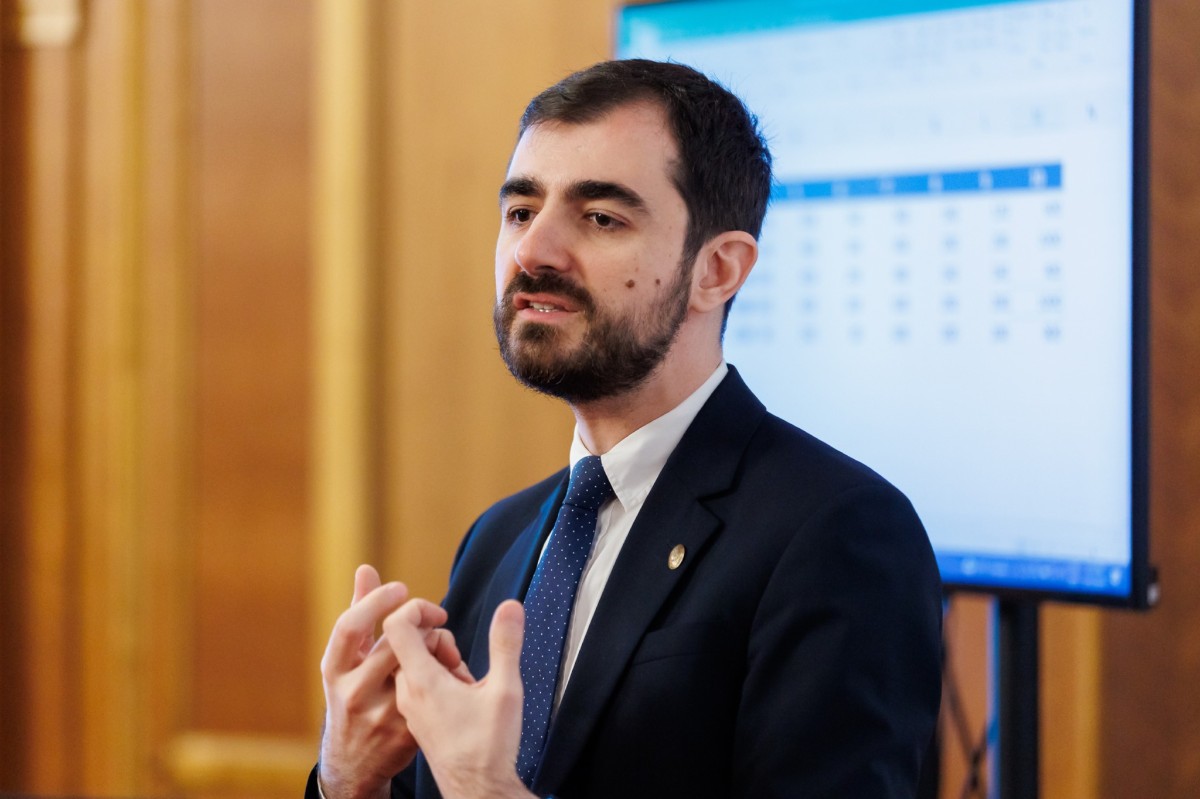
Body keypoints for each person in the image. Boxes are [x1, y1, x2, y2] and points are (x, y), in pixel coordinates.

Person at [310, 59, 942, 799]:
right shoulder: (497, 538)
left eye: (601, 218)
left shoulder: (840, 533)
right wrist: (349, 777)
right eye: (521, 211)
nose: (532, 252)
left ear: (718, 270)